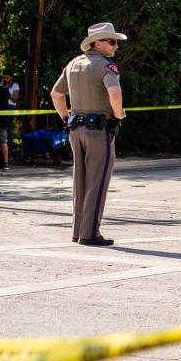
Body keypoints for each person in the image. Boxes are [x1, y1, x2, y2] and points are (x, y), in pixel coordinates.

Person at [50, 22, 128, 246]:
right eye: (111, 42)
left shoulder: (74, 64)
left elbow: (56, 94)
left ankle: (78, 231)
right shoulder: (106, 66)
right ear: (98, 44)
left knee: (80, 181)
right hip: (98, 130)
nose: (115, 47)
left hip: (76, 129)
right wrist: (119, 114)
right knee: (97, 181)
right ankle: (90, 233)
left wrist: (66, 118)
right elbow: (114, 93)